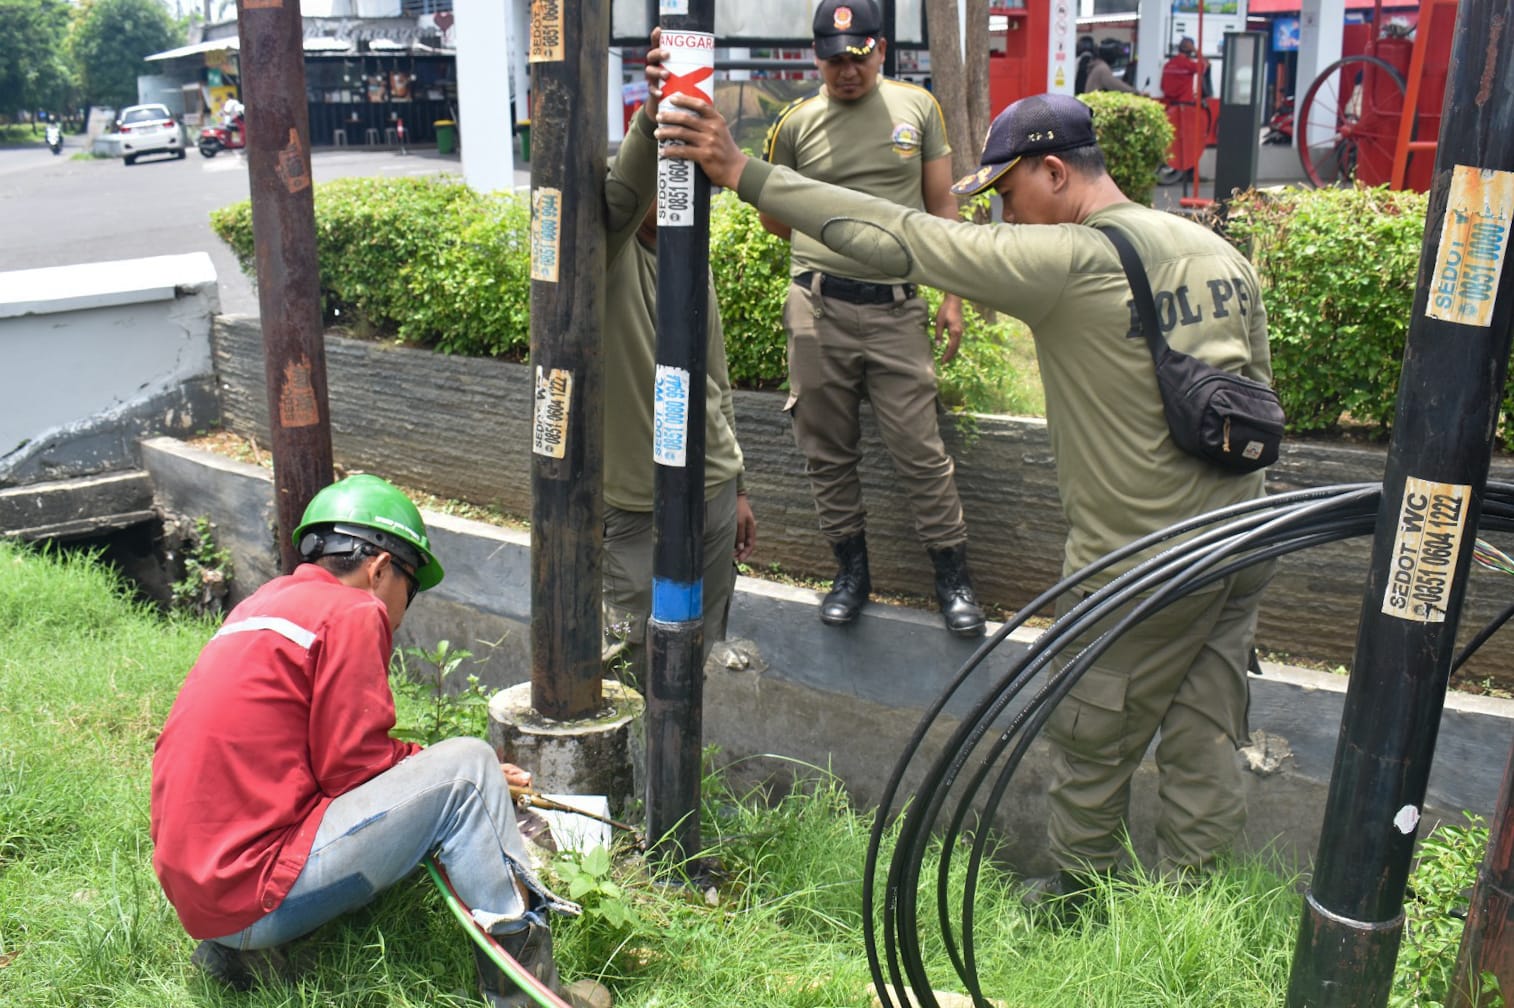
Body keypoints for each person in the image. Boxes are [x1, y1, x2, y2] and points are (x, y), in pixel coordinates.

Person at [654, 90, 1274, 899]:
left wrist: (742, 171)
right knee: (1205, 737)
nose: (1005, 219)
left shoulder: (1073, 263)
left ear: (1055, 171)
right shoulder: (1217, 252)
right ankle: (1197, 917)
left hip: (1138, 572)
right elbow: (1258, 402)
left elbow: (909, 240)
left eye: (1010, 196)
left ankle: (1077, 910)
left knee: (1089, 746)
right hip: (1239, 549)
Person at [149, 474, 599, 1007]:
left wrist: (421, 769)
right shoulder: (353, 609)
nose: (403, 610)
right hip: (255, 895)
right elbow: (352, 766)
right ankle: (527, 996)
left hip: (205, 900)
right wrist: (462, 778)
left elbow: (322, 761)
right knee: (470, 765)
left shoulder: (259, 609)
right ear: (381, 568)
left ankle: (241, 958)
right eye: (410, 590)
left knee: (460, 776)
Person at [759, 0, 986, 638]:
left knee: (921, 450)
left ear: (880, 49)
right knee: (826, 451)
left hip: (895, 308)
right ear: (817, 60)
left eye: (857, 57)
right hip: (817, 303)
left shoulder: (918, 108)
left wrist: (952, 294)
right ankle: (850, 573)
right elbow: (774, 216)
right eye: (833, 61)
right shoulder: (796, 123)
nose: (846, 72)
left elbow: (942, 205)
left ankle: (953, 577)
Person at [602, 30, 757, 683]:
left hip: (712, 489)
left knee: (698, 640)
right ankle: (637, 778)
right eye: (670, 188)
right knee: (632, 661)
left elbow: (714, 378)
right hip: (635, 505)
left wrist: (738, 485)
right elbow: (626, 187)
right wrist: (661, 100)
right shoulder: (601, 253)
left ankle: (684, 771)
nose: (682, 204)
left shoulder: (689, 258)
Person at [1160, 36, 1210, 105]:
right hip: (1185, 106)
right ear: (1190, 51)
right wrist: (1194, 49)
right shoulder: (1189, 65)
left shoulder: (1167, 65)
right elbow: (1206, 63)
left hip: (1168, 105)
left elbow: (1162, 86)